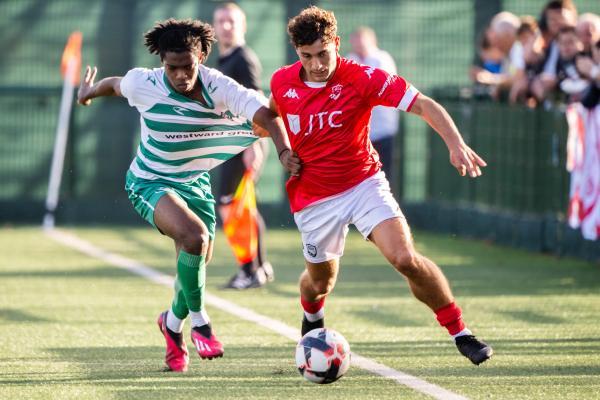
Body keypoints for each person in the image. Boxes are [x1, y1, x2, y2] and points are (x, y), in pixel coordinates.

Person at [270, 6, 492, 365]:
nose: (316, 64)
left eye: (323, 54)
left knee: (405, 259)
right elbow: (269, 114)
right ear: (297, 52)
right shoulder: (282, 81)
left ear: (337, 44)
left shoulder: (363, 77)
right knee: (321, 282)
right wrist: (282, 150)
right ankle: (312, 314)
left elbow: (422, 104)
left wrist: (455, 143)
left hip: (363, 183)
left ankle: (460, 331)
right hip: (313, 197)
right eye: (306, 56)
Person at [76, 18, 299, 372]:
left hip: (193, 184)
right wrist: (87, 93)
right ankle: (200, 321)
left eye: (188, 66)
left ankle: (172, 324)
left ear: (203, 57)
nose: (180, 75)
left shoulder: (221, 86)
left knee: (193, 266)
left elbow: (268, 116)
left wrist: (285, 152)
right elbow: (114, 84)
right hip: (148, 181)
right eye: (172, 67)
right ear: (162, 62)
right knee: (194, 238)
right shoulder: (144, 83)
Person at [213, 2, 274, 289]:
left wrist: (254, 146)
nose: (226, 26)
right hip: (230, 144)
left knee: (232, 207)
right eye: (221, 21)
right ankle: (258, 267)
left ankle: (249, 270)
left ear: (243, 26)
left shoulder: (243, 59)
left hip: (243, 144)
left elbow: (257, 101)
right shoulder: (225, 60)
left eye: (231, 21)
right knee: (240, 207)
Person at [346, 27, 400, 183]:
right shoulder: (350, 60)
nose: (359, 47)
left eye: (362, 43)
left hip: (383, 131)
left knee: (383, 177)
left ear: (372, 42)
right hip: (359, 135)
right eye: (356, 44)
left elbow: (377, 89)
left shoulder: (382, 60)